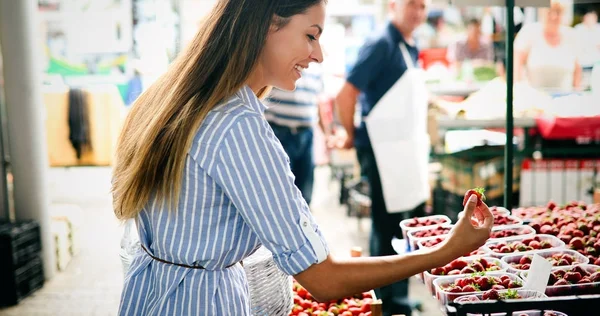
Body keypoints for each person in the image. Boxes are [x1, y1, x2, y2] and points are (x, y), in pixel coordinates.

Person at [112, 1, 493, 315]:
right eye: (310, 36)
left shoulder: (185, 97)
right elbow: (323, 280)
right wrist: (444, 252)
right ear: (266, 26)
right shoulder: (237, 127)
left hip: (151, 296)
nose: (319, 54)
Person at [334, 0, 434, 315]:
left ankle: (397, 298)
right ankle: (384, 303)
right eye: (411, 4)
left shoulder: (409, 44)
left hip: (402, 152)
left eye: (422, 5)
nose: (417, 11)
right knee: (385, 227)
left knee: (403, 227)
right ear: (393, 5)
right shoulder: (381, 43)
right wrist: (349, 134)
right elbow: (346, 93)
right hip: (381, 152)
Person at [263, 65, 326, 206]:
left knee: (305, 188)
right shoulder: (284, 64)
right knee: (281, 189)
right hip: (280, 132)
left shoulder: (317, 70)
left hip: (306, 133)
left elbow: (319, 102)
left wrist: (326, 133)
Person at [514, 0, 582, 91]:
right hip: (534, 99)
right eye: (549, 11)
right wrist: (519, 90)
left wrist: (576, 94)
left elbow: (578, 71)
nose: (553, 16)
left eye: (558, 12)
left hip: (566, 98)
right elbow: (516, 66)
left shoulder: (571, 35)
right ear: (542, 12)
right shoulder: (529, 32)